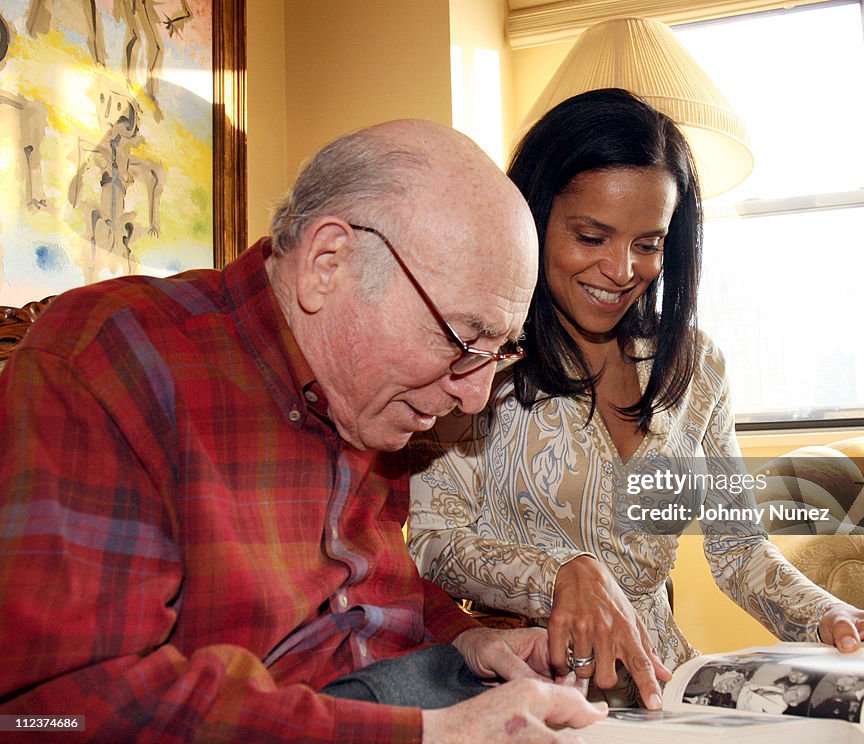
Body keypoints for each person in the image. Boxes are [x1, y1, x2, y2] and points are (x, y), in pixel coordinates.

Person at [0, 120, 607, 742]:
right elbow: (58, 705)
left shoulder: (372, 400)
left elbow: (361, 589)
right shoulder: (111, 358)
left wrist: (463, 639)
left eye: (500, 351)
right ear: (327, 263)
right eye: (460, 339)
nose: (473, 394)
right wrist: (432, 736)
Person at [407, 88, 864, 710]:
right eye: (591, 236)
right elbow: (433, 543)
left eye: (648, 244)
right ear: (533, 217)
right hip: (524, 685)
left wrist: (832, 618)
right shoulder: (480, 359)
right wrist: (564, 575)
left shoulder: (694, 366)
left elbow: (737, 548)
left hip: (668, 686)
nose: (622, 270)